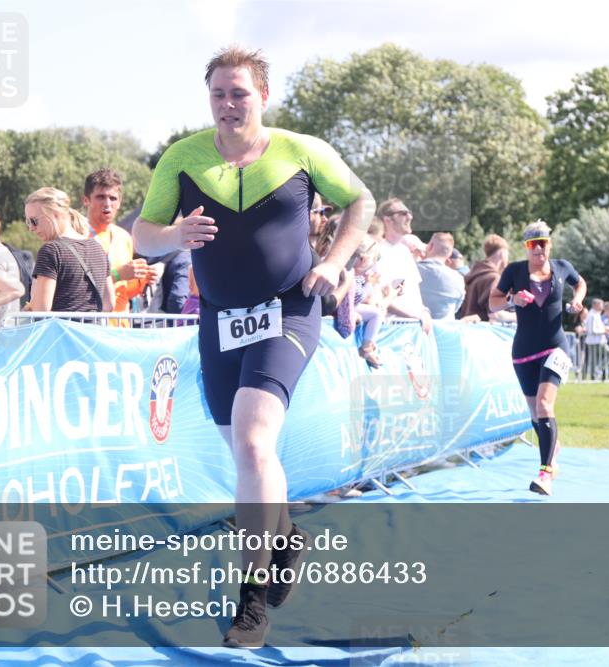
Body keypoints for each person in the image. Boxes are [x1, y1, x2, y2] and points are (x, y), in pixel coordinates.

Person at [131, 45, 373, 649]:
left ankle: (251, 600)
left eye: (239, 93)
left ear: (262, 96)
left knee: (253, 438)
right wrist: (173, 234)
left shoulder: (301, 150)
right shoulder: (182, 158)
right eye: (218, 93)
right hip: (219, 320)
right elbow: (142, 236)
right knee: (245, 454)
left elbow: (360, 201)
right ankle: (286, 535)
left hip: (288, 308)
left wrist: (337, 261)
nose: (228, 104)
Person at [488, 220, 586, 495]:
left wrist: (578, 299)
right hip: (524, 351)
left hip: (556, 347)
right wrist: (512, 300)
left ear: (549, 245)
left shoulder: (562, 267)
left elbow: (581, 283)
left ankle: (545, 474)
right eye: (533, 244)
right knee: (535, 412)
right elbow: (492, 302)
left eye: (543, 243)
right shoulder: (514, 271)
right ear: (526, 247)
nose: (539, 248)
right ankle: (553, 450)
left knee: (544, 404)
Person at [25, 187, 114, 314]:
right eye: (28, 222)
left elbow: (41, 308)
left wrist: (29, 309)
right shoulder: (98, 247)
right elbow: (109, 304)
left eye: (34, 221)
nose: (31, 228)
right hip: (91, 331)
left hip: (61, 332)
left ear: (54, 214)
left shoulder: (51, 250)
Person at [82, 168, 152, 324]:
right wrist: (118, 274)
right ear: (86, 200)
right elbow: (75, 286)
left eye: (113, 198)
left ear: (119, 202)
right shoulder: (76, 235)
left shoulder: (124, 237)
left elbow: (125, 291)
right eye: (100, 197)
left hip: (120, 328)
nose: (107, 204)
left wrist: (142, 280)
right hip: (87, 328)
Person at [374, 199, 432, 333]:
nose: (410, 216)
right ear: (387, 220)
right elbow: (378, 296)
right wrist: (413, 316)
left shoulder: (405, 251)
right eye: (403, 213)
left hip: (413, 330)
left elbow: (414, 293)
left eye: (409, 213)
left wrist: (424, 312)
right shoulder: (376, 251)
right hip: (388, 331)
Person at [460, 233, 512, 323]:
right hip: (484, 333)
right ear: (502, 253)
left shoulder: (473, 275)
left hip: (468, 330)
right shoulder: (494, 278)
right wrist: (517, 317)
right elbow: (494, 314)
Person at [352, 235, 386, 368]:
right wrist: (369, 284)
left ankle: (369, 344)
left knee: (376, 311)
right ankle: (366, 347)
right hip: (342, 308)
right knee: (376, 314)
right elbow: (358, 297)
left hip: (349, 307)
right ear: (363, 259)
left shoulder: (358, 276)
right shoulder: (350, 273)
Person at [417, 232, 466, 319]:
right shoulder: (458, 279)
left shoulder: (413, 269)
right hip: (446, 330)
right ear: (449, 255)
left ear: (430, 246)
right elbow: (456, 307)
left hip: (416, 330)